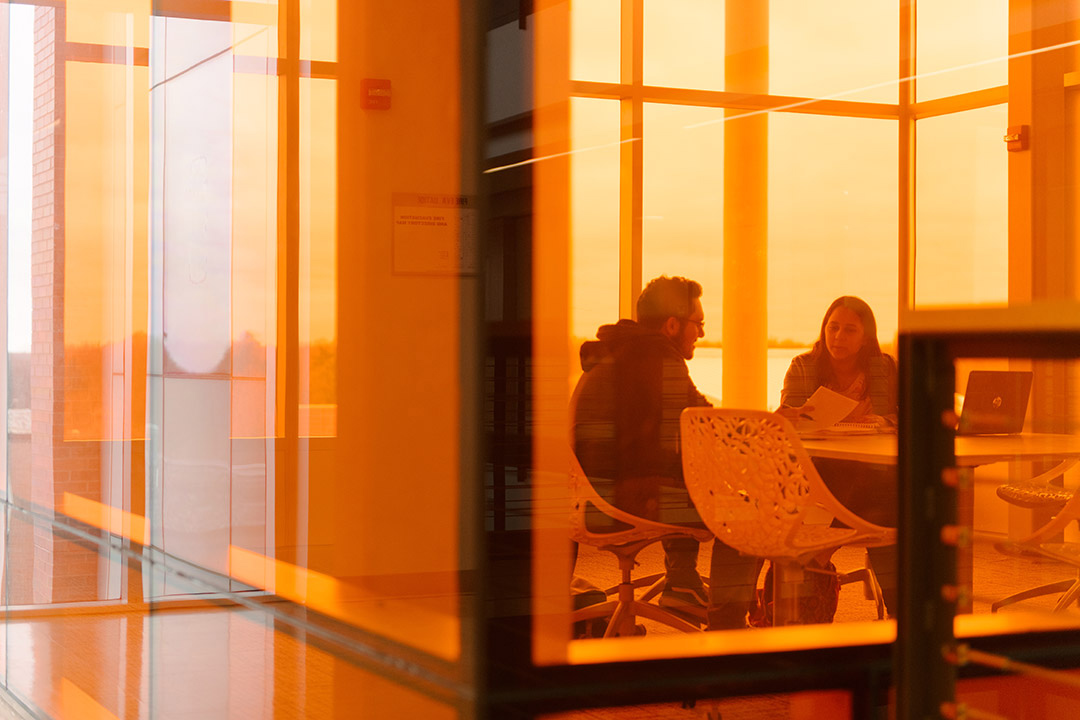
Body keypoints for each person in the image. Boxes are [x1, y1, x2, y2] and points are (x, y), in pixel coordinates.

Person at [571, 275, 760, 630]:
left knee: (694, 478)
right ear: (672, 325)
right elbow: (705, 426)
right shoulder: (657, 358)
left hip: (586, 498)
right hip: (620, 500)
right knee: (747, 513)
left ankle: (682, 586)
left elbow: (684, 427)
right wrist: (766, 427)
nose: (701, 333)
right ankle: (728, 630)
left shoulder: (621, 352)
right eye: (698, 323)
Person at [776, 295, 898, 619]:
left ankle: (819, 555)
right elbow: (788, 422)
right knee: (885, 514)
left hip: (873, 473)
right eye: (833, 328)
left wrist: (882, 421)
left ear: (866, 337)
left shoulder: (882, 368)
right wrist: (794, 416)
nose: (838, 337)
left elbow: (902, 415)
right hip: (820, 472)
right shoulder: (804, 366)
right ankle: (903, 611)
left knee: (886, 500)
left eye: (849, 330)